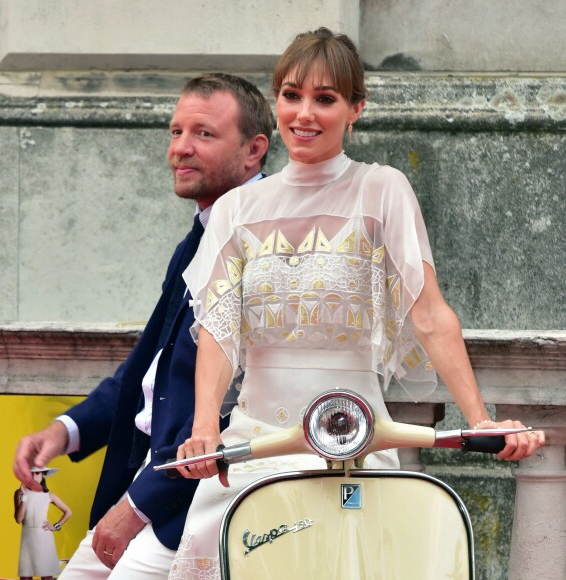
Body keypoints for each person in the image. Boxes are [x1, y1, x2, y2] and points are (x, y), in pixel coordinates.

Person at [168, 28, 545, 578]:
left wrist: (480, 419)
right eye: (292, 95)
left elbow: (429, 313)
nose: (304, 113)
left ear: (355, 109)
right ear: (277, 102)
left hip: (358, 446)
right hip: (255, 447)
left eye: (326, 98)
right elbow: (219, 330)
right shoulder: (237, 208)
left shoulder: (382, 189)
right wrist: (205, 427)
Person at [12, 73, 273, 579]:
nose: (181, 149)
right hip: (155, 490)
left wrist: (136, 509)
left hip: (200, 503)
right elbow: (146, 373)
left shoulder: (264, 240)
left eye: (203, 133)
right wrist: (63, 433)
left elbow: (235, 404)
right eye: (176, 132)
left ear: (254, 150)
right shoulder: (196, 239)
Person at [14, 466, 72, 580]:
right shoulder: (19, 493)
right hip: (27, 538)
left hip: (44, 537)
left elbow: (68, 512)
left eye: (38, 473)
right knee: (25, 577)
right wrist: (24, 497)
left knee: (46, 576)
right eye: (31, 473)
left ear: (43, 474)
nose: (34, 477)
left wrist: (55, 526)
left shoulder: (49, 495)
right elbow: (19, 519)